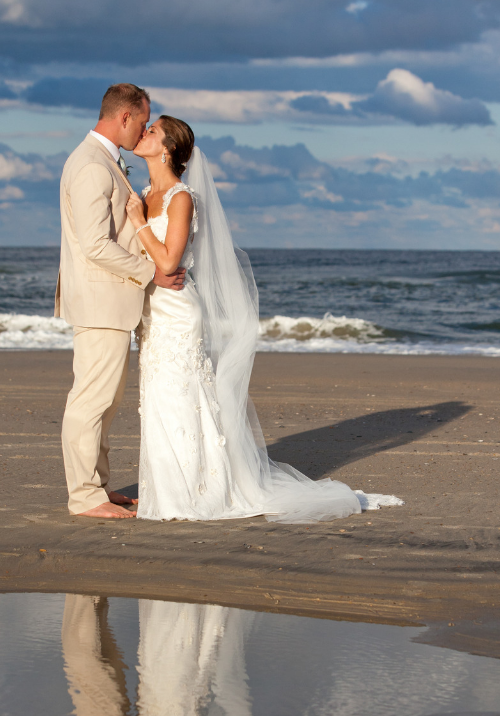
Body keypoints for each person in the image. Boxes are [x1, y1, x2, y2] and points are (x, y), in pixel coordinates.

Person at [127, 116, 400, 522]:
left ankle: (196, 493)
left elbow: (168, 260)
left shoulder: (181, 199)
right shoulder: (144, 193)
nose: (143, 132)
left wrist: (137, 222)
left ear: (167, 148)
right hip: (152, 313)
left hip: (179, 313)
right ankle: (166, 491)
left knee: (184, 397)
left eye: (152, 130)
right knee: (158, 400)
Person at [55, 84, 186, 519]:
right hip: (99, 302)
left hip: (109, 302)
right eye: (143, 121)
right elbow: (94, 245)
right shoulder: (92, 165)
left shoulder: (104, 161)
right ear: (125, 117)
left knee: (105, 402)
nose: (144, 129)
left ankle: (99, 485)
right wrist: (153, 273)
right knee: (91, 401)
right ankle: (84, 496)